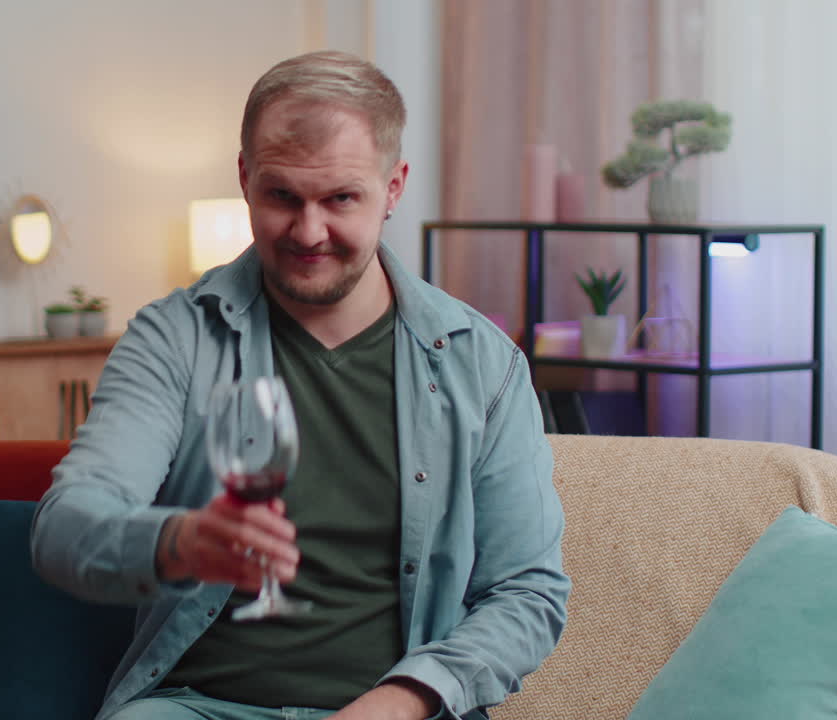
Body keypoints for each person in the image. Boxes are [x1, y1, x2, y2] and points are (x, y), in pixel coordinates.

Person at [31, 50, 570, 720]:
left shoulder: (483, 365)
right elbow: (64, 529)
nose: (308, 232)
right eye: (282, 195)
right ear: (244, 178)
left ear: (394, 188)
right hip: (197, 707)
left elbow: (528, 593)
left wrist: (405, 700)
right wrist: (179, 541)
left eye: (340, 198)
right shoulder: (173, 338)